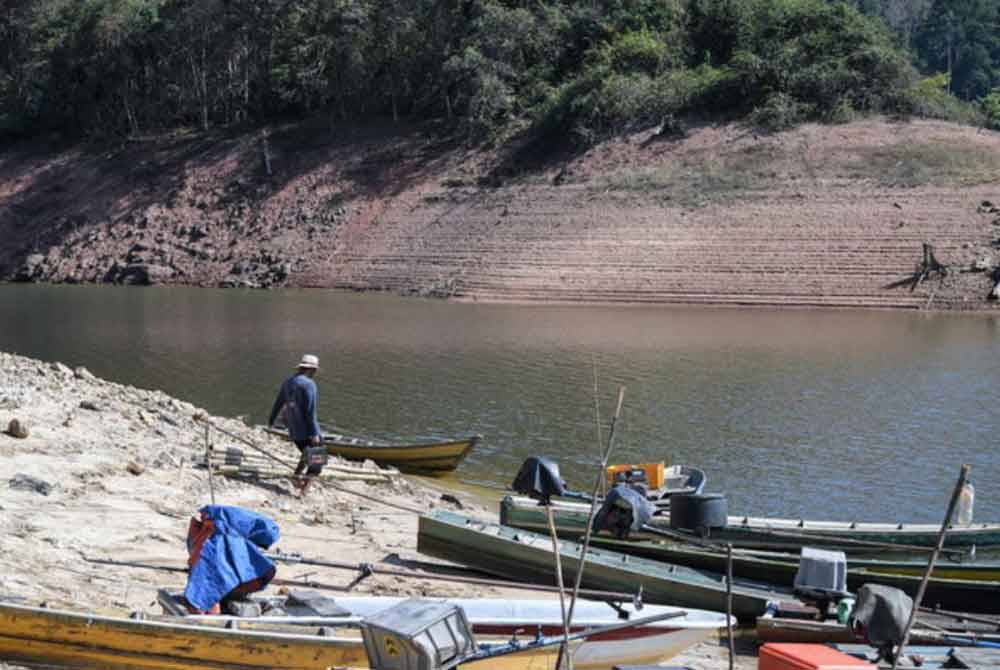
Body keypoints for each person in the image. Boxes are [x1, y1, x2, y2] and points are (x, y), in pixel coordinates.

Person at [268, 354, 323, 475]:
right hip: (307, 431)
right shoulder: (309, 384)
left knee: (306, 453)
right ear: (312, 369)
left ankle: (296, 475)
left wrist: (271, 420)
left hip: (294, 431)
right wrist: (314, 434)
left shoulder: (288, 381)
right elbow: (310, 412)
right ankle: (302, 492)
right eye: (315, 370)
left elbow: (278, 402)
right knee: (317, 464)